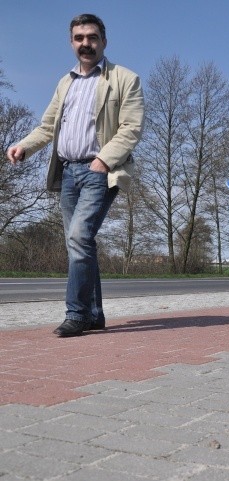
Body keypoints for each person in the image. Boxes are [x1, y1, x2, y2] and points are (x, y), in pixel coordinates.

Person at [6, 14, 144, 337]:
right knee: (80, 245)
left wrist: (104, 160)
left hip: (100, 171)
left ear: (103, 42)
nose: (86, 43)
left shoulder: (124, 79)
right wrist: (24, 146)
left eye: (92, 37)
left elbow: (132, 127)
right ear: (72, 43)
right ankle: (95, 313)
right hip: (68, 172)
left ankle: (77, 314)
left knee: (79, 237)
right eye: (79, 38)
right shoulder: (65, 83)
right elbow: (47, 126)